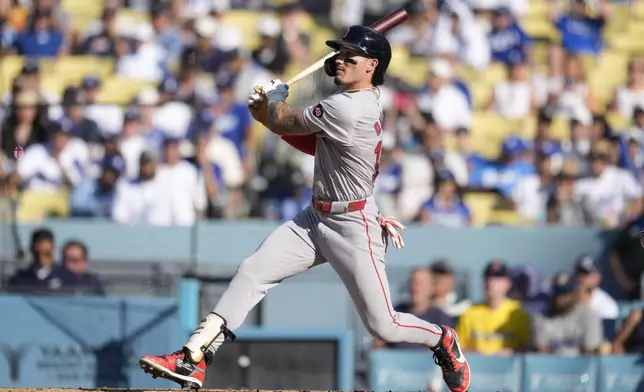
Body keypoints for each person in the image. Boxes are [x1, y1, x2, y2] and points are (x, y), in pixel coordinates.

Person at [139, 25, 470, 392]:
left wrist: (276, 100)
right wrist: (267, 114)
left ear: (371, 66)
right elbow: (311, 143)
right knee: (252, 272)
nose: (340, 60)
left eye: (350, 55)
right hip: (316, 218)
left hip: (353, 222)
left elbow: (288, 120)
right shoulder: (345, 104)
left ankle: (442, 338)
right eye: (339, 53)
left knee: (383, 324)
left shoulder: (350, 106)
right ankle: (193, 358)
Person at [456, 260, 532, 355]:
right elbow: (458, 348)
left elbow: (528, 348)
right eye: (488, 278)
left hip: (508, 368)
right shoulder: (470, 312)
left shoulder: (518, 313)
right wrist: (476, 354)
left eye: (497, 278)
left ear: (508, 283)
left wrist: (508, 353)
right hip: (476, 367)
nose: (491, 282)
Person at [373, 267, 454, 350]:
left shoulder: (440, 319)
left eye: (421, 283)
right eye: (413, 282)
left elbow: (447, 350)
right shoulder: (395, 312)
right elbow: (378, 344)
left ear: (431, 288)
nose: (415, 287)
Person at [533, 272, 603, 355]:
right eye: (556, 293)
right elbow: (541, 354)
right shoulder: (541, 317)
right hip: (550, 366)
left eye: (564, 293)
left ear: (575, 293)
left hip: (580, 366)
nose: (559, 298)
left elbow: (590, 354)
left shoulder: (589, 316)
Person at [6, 227, 56, 293]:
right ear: (31, 250)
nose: (41, 259)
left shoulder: (67, 278)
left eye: (46, 254)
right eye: (37, 254)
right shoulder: (19, 279)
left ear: (53, 249)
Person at [573, 254, 619, 320]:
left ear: (597, 277)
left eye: (585, 273)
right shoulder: (567, 299)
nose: (580, 277)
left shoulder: (606, 304)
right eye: (578, 272)